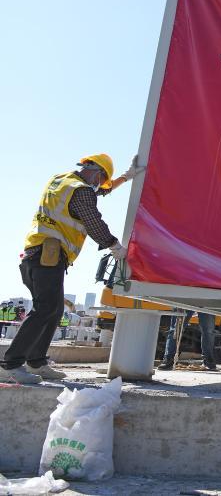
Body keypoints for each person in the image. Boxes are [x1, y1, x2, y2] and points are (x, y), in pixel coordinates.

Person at [1, 154, 142, 385]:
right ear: (96, 173)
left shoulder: (61, 181)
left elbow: (97, 192)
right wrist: (114, 245)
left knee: (54, 309)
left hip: (34, 255)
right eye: (101, 179)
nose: (100, 185)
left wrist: (125, 178)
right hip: (48, 257)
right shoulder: (82, 191)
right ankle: (11, 365)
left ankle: (36, 361)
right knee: (46, 308)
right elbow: (93, 221)